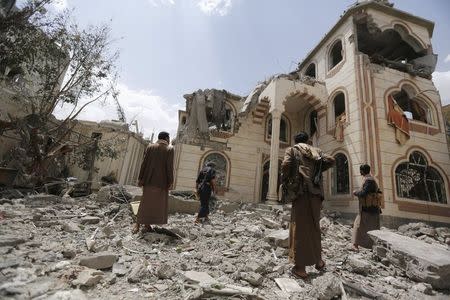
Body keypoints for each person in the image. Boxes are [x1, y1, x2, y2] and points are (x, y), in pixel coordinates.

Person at [281, 131, 335, 279]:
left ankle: (300, 268)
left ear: (295, 140)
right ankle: (319, 261)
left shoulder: (292, 150)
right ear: (308, 140)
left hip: (301, 192)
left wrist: (286, 178)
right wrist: (318, 168)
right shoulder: (316, 151)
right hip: (316, 194)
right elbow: (331, 160)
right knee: (314, 226)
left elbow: (286, 164)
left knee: (299, 227)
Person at [133, 131, 174, 234]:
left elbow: (144, 163)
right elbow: (169, 167)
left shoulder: (150, 147)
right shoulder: (170, 149)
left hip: (148, 180)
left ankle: (142, 224)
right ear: (166, 138)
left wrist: (140, 178)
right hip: (161, 182)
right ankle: (144, 224)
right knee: (156, 205)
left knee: (145, 202)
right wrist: (170, 181)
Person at [351, 164, 381, 251]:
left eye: (360, 170)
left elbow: (364, 193)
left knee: (358, 225)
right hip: (373, 208)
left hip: (367, 209)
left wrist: (355, 192)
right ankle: (372, 246)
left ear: (362, 171)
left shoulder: (368, 181)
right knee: (372, 227)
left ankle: (355, 245)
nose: (360, 172)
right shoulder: (372, 180)